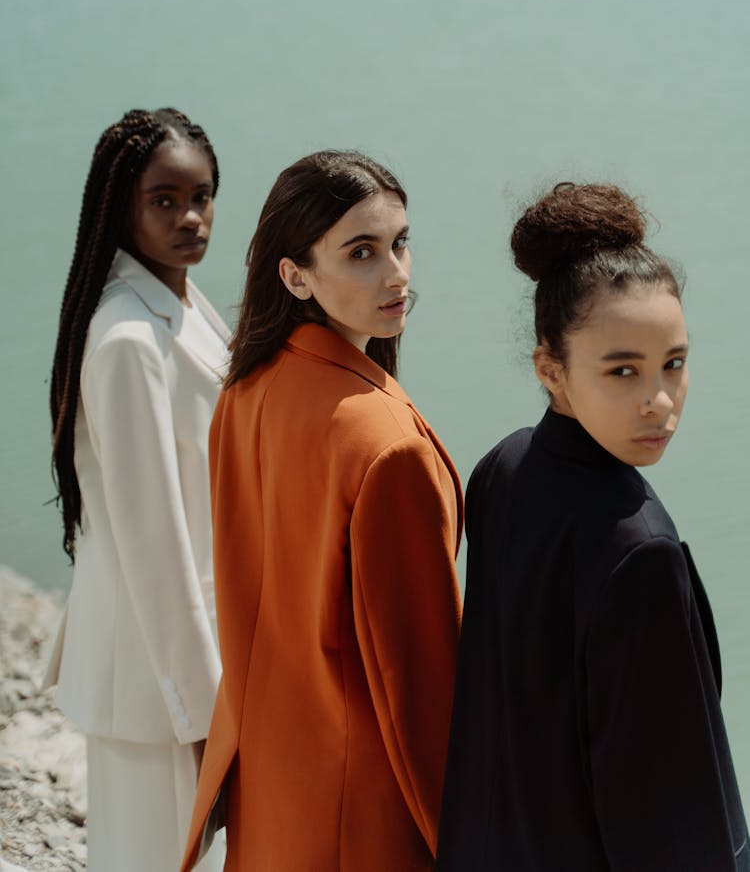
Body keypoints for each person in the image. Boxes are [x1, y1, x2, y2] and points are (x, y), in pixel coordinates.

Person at [436, 182, 749, 872]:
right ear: (551, 368)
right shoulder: (638, 551)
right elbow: (672, 802)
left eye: (674, 363)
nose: (659, 401)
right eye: (622, 370)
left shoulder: (501, 470)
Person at [180, 150, 464, 872]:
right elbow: (420, 679)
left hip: (272, 779)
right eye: (362, 252)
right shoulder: (386, 446)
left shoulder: (245, 394)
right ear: (295, 274)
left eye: (400, 242)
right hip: (364, 805)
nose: (396, 272)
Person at [45, 108, 230, 872]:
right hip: (159, 686)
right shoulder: (127, 341)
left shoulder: (184, 303)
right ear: (120, 205)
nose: (190, 216)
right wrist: (205, 712)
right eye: (164, 199)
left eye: (203, 195)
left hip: (181, 668)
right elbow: (154, 543)